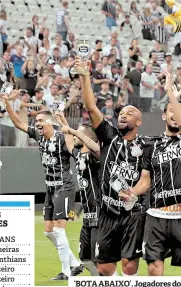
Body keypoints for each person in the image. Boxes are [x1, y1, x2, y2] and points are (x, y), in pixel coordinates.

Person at [74, 57, 147, 276]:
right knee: (105, 267)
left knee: (130, 264)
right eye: (121, 113)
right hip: (107, 212)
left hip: (132, 212)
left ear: (139, 122)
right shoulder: (109, 137)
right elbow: (91, 107)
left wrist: (133, 192)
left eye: (130, 113)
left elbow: (146, 179)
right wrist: (85, 76)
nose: (123, 115)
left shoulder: (146, 146)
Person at [122, 73, 181, 276]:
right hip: (156, 216)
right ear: (164, 116)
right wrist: (132, 193)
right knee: (153, 269)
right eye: (172, 111)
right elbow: (145, 180)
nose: (176, 115)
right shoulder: (151, 145)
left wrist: (169, 92)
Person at [1, 90, 82, 280]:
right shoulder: (38, 137)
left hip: (65, 186)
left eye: (40, 121)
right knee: (48, 232)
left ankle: (66, 272)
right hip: (50, 187)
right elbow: (18, 123)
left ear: (49, 123)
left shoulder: (61, 138)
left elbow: (73, 150)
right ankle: (75, 264)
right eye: (36, 121)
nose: (36, 124)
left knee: (59, 229)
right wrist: (6, 104)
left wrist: (66, 125)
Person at [56, 116, 101, 277]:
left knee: (100, 260)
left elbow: (96, 148)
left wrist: (74, 131)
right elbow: (69, 144)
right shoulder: (78, 155)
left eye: (78, 134)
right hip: (87, 217)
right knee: (85, 258)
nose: (74, 136)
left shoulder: (97, 156)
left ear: (87, 138)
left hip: (100, 215)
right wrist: (64, 123)